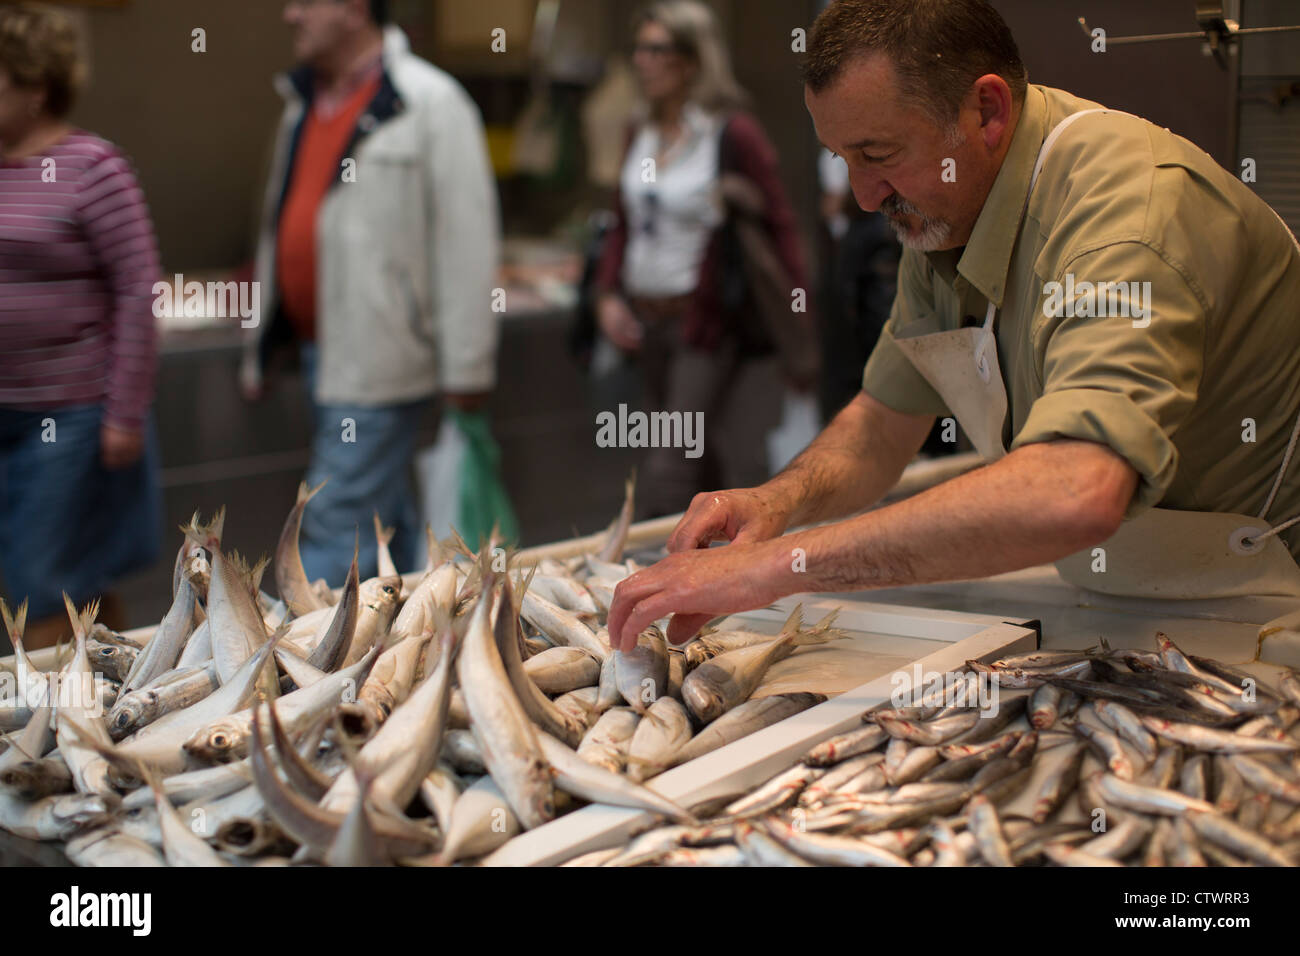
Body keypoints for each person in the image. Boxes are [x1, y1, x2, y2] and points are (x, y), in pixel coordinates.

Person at [608, 0, 1300, 650]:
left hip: (1263, 598)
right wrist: (775, 502)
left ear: (987, 111)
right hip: (1127, 590)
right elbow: (883, 423)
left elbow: (1073, 492)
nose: (861, 195)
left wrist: (777, 568)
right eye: (842, 159)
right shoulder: (946, 210)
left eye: (877, 155)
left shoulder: (1126, 220)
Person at [243, 0, 500, 584]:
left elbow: (466, 239)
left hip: (382, 356)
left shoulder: (432, 102)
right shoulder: (302, 102)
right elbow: (279, 220)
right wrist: (261, 340)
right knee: (388, 525)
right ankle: (408, 656)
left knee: (334, 520)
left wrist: (468, 366)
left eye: (305, 2)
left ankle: (300, 666)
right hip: (315, 351)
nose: (290, 15)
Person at [592, 0, 815, 518]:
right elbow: (622, 221)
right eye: (639, 48)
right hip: (645, 319)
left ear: (692, 60)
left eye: (657, 49)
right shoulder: (639, 130)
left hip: (704, 322)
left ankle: (652, 581)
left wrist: (800, 331)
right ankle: (721, 561)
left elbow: (781, 228)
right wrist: (605, 296)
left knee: (667, 464)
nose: (642, 61)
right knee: (697, 451)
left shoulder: (730, 133)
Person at [0, 3, 162, 649]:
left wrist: (124, 413)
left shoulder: (94, 169)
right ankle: (117, 693)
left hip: (67, 415)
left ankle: (50, 739)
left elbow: (136, 289)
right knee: (71, 577)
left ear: (36, 90)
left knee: (41, 578)